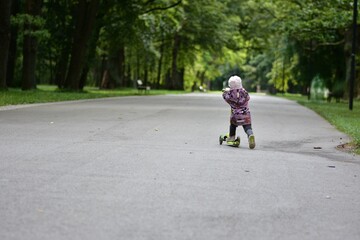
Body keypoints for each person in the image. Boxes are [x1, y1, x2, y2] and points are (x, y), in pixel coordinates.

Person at [222, 75, 255, 149]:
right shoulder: (244, 92)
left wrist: (226, 92)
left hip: (235, 116)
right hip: (245, 114)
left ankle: (232, 137)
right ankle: (250, 135)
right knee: (248, 127)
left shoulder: (229, 95)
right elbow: (248, 98)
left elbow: (225, 97)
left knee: (232, 126)